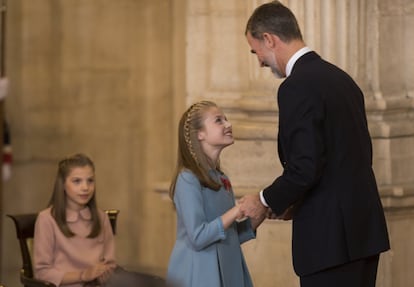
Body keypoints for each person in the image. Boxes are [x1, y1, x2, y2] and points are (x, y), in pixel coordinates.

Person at [239, 1, 390, 287]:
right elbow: (342, 159)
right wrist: (295, 202)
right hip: (362, 234)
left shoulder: (296, 86)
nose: (258, 61)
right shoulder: (342, 79)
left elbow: (304, 168)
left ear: (269, 39)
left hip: (330, 242)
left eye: (255, 50)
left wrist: (262, 201)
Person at [166, 100, 265, 287]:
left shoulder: (221, 178)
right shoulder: (187, 179)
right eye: (218, 120)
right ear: (200, 134)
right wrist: (237, 211)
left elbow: (230, 237)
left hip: (229, 272)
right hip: (199, 274)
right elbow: (198, 237)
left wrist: (258, 216)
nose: (228, 124)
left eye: (226, 119)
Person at [33, 153, 117, 287]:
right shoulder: (46, 219)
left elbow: (110, 265)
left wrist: (103, 273)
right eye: (77, 181)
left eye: (90, 180)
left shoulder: (101, 217)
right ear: (63, 184)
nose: (85, 187)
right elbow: (42, 273)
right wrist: (82, 275)